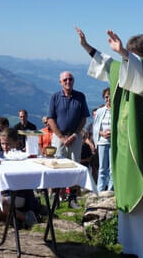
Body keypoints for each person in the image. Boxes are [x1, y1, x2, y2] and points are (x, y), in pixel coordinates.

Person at [76, 27, 143, 258]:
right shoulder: (132, 69)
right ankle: (132, 249)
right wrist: (87, 47)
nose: (125, 60)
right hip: (125, 148)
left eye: (132, 55)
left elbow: (138, 70)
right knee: (129, 200)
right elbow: (109, 65)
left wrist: (124, 53)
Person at [47, 71, 90, 209]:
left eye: (70, 79)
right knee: (57, 167)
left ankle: (72, 198)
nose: (68, 81)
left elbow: (84, 118)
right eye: (65, 79)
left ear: (73, 81)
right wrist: (60, 136)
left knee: (75, 167)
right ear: (60, 82)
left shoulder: (80, 97)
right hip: (59, 138)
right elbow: (50, 119)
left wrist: (75, 135)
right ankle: (56, 198)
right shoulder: (55, 97)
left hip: (75, 137)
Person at [93, 87, 113, 191]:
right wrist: (102, 133)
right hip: (102, 142)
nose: (108, 99)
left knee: (112, 169)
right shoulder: (100, 111)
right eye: (106, 97)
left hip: (113, 143)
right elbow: (95, 127)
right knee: (102, 168)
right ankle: (100, 190)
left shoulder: (117, 111)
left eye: (110, 96)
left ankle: (111, 190)